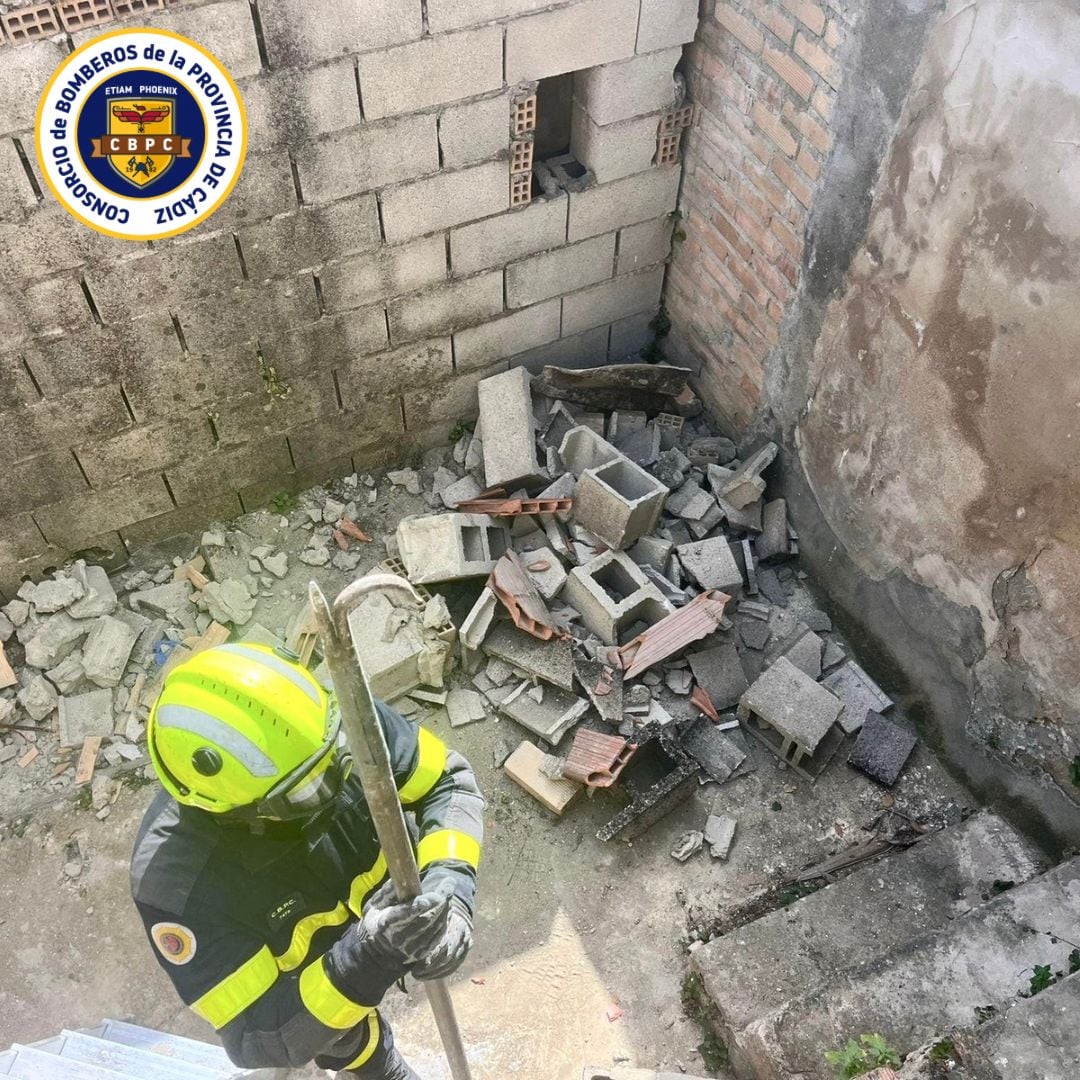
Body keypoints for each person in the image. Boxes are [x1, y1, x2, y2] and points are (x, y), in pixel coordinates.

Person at [130, 642, 484, 1080]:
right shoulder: (176, 887)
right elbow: (258, 1032)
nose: (336, 782)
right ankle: (380, 1066)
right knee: (340, 1036)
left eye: (336, 759)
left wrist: (449, 885)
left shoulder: (319, 728)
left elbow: (448, 781)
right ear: (237, 810)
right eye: (308, 791)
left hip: (398, 894)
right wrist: (366, 958)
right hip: (317, 982)